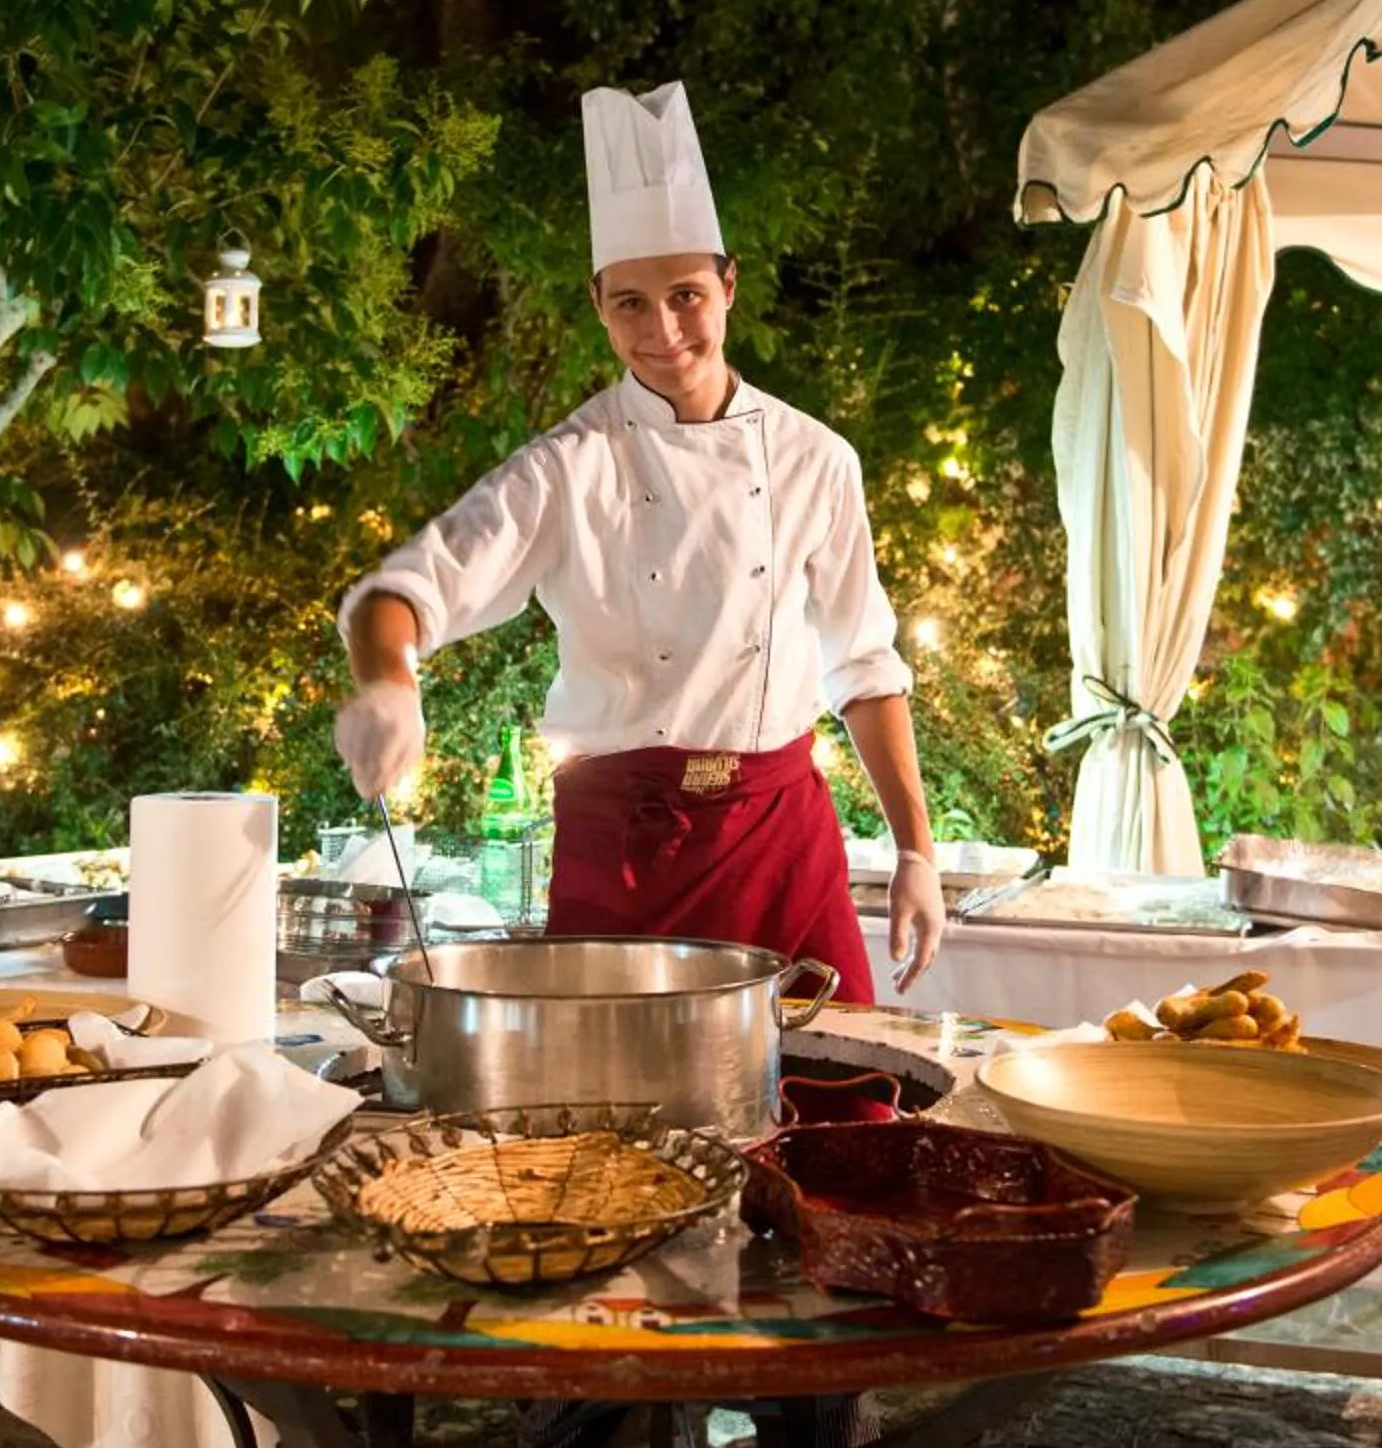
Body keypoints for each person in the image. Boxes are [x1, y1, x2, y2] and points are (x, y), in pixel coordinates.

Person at [334, 81, 944, 1000]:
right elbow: (399, 597)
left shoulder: (817, 459)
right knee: (613, 1126)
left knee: (836, 1106)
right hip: (623, 849)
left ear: (729, 287)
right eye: (630, 304)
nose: (662, 331)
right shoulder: (568, 466)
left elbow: (862, 667)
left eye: (687, 295)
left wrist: (916, 852)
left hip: (778, 835)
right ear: (598, 304)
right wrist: (388, 683)